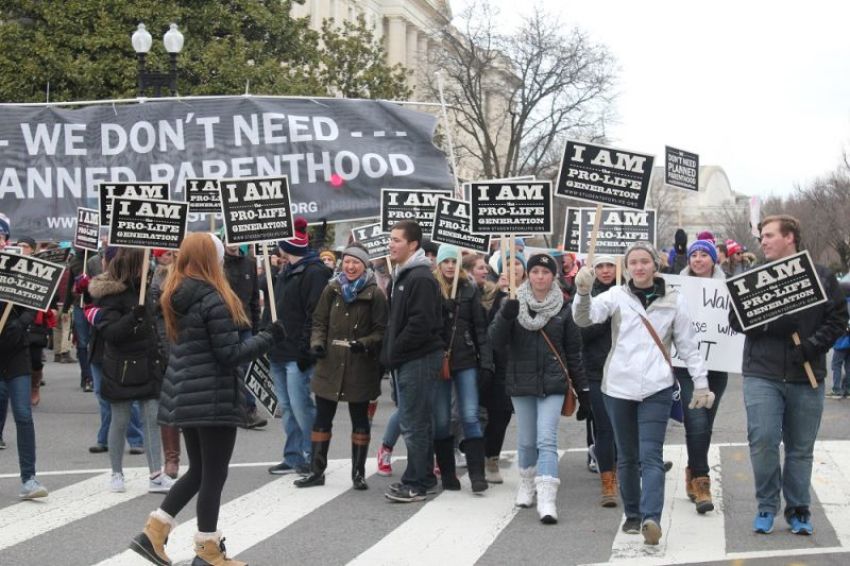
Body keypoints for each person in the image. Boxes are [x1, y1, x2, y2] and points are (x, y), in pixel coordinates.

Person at [130, 232, 284, 566]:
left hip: (187, 392)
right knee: (213, 474)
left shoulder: (176, 292)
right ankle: (207, 552)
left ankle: (153, 534)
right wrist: (267, 338)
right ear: (210, 259)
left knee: (199, 471)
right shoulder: (213, 297)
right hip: (211, 394)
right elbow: (229, 354)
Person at [573, 241, 713, 545]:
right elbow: (585, 318)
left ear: (655, 265)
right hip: (618, 387)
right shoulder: (615, 296)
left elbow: (689, 346)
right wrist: (582, 293)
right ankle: (633, 515)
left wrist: (701, 383)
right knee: (627, 456)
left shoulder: (675, 300)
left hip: (657, 387)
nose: (639, 267)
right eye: (633, 262)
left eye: (644, 261)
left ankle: (652, 518)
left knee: (651, 455)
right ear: (628, 267)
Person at [729, 215, 848, 536]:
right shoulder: (752, 276)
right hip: (762, 374)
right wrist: (769, 325)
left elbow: (838, 320)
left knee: (799, 448)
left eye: (769, 236)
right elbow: (736, 320)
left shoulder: (821, 277)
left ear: (790, 237)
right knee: (764, 440)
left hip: (806, 376)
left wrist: (813, 346)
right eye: (762, 237)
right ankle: (767, 505)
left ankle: (798, 509)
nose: (763, 242)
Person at [489, 253, 588, 524]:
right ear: (528, 275)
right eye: (535, 272)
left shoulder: (564, 307)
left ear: (553, 276)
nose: (540, 277)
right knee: (526, 439)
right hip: (521, 381)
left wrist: (584, 390)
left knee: (546, 439)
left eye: (545, 273)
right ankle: (526, 483)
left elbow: (573, 351)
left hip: (553, 382)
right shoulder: (513, 301)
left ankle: (547, 497)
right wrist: (505, 316)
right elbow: (495, 342)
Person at [295, 244, 387, 490]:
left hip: (360, 364)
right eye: (347, 261)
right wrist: (316, 344)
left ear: (364, 264)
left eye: (356, 262)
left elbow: (381, 331)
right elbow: (319, 321)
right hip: (330, 364)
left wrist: (364, 344)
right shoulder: (332, 289)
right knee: (322, 419)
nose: (350, 266)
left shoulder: (375, 294)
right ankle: (316, 471)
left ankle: (358, 473)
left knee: (360, 420)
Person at [87, 247, 173, 494]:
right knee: (120, 420)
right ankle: (116, 473)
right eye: (143, 263)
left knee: (151, 420)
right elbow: (111, 333)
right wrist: (133, 317)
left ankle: (156, 475)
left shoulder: (144, 289)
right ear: (134, 265)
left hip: (147, 361)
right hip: (121, 366)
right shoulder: (110, 295)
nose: (148, 267)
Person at [380, 220, 444, 502]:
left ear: (413, 245)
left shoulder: (419, 277)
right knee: (416, 420)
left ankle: (415, 483)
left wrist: (395, 352)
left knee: (414, 422)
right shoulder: (402, 276)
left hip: (417, 359)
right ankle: (426, 477)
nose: (391, 244)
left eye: (397, 240)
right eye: (390, 239)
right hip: (408, 359)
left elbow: (421, 324)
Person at [265, 217, 333, 475]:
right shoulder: (286, 271)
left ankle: (311, 455)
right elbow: (277, 310)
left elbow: (314, 315)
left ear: (286, 247)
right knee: (287, 406)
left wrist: (307, 351)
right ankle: (293, 455)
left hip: (297, 354)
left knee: (301, 405)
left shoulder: (314, 272)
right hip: (279, 350)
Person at [432, 244, 493, 493]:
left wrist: (486, 363)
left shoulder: (469, 289)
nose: (449, 266)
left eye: (454, 262)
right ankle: (448, 475)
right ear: (439, 264)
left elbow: (481, 329)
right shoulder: (431, 287)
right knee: (443, 419)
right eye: (446, 261)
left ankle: (477, 474)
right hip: (438, 361)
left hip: (466, 358)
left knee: (470, 415)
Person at [675, 239, 728, 514]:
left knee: (705, 424)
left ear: (713, 260)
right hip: (685, 367)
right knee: (695, 420)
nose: (698, 259)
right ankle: (702, 481)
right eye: (693, 255)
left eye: (703, 255)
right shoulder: (675, 288)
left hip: (717, 366)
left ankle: (692, 470)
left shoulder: (727, 288)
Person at [78, 248, 146, 456]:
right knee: (102, 394)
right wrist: (81, 289)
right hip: (99, 348)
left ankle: (136, 439)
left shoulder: (131, 287)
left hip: (119, 349)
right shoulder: (98, 286)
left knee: (126, 395)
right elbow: (89, 308)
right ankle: (104, 438)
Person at [481, 250, 527, 483]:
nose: (513, 267)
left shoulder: (535, 294)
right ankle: (490, 459)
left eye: (517, 263)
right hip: (499, 364)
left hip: (525, 363)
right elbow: (487, 329)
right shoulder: (490, 295)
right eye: (508, 264)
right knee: (498, 416)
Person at [579, 254, 619, 507]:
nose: (605, 271)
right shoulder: (586, 294)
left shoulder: (631, 290)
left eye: (610, 266)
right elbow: (579, 332)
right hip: (597, 370)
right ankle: (608, 480)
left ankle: (634, 467)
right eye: (600, 266)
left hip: (628, 370)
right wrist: (607, 318)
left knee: (628, 428)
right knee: (604, 428)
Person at [0, 301, 49, 499]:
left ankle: (29, 478)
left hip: (17, 355)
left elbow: (35, 295)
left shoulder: (17, 272)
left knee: (23, 414)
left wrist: (23, 321)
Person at [221, 239, 267, 430]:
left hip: (245, 325)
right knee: (226, 367)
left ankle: (249, 410)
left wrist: (256, 327)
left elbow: (255, 298)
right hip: (222, 324)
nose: (233, 244)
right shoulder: (217, 263)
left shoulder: (249, 262)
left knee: (247, 367)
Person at [150, 249, 182, 479]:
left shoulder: (190, 276)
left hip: (190, 342)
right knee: (168, 402)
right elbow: (154, 312)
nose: (168, 257)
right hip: (165, 343)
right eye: (165, 253)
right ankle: (172, 458)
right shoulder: (156, 277)